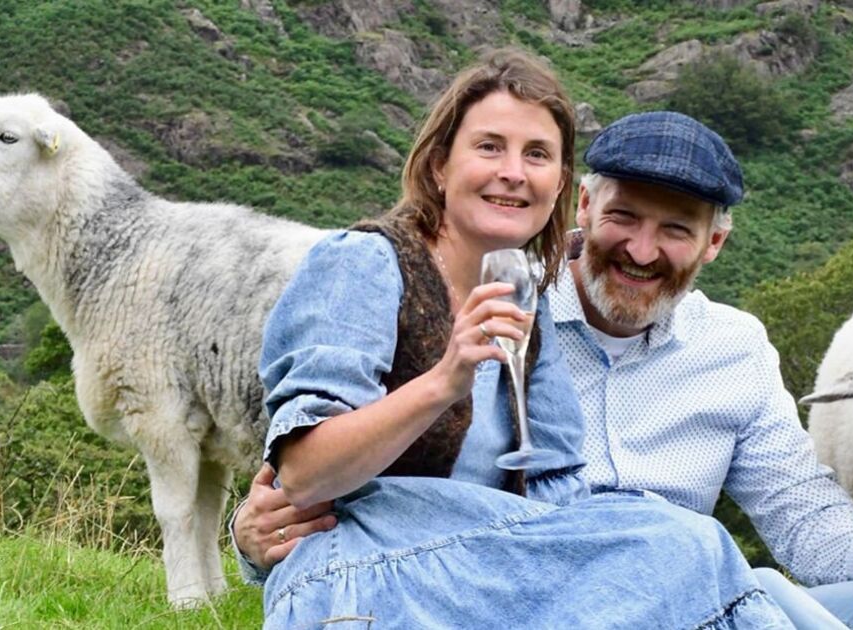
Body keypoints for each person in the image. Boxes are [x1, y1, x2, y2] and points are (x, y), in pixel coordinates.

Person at [253, 49, 793, 629]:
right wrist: (443, 382)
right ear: (439, 165)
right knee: (686, 548)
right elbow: (306, 473)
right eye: (490, 147)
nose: (513, 171)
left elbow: (556, 484)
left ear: (559, 185)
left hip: (482, 566)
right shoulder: (363, 264)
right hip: (372, 564)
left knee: (683, 542)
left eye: (536, 155)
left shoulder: (520, 295)